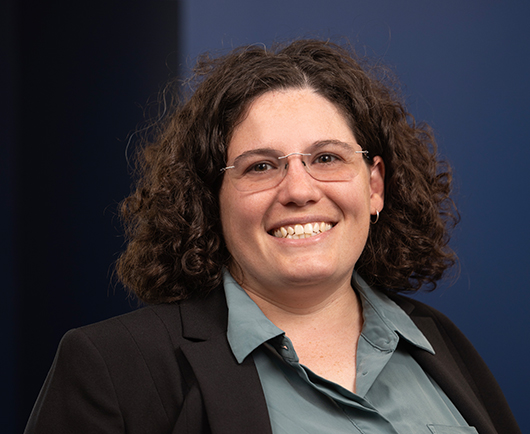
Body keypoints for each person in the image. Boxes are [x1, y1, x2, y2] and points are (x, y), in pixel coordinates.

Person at [24, 39, 520, 434]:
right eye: (260, 166)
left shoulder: (440, 344)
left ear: (374, 186)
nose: (299, 190)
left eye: (326, 158)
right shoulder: (114, 368)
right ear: (211, 198)